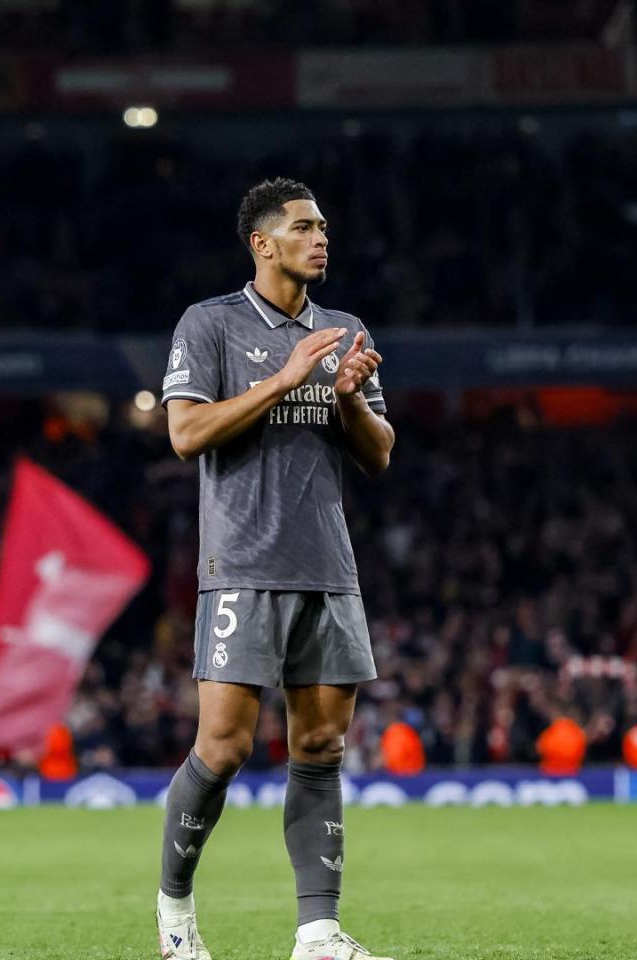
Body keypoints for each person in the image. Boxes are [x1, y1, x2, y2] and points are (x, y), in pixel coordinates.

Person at [156, 178, 396, 960]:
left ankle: (318, 933)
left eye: (324, 225)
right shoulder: (211, 325)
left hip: (328, 566)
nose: (321, 237)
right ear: (263, 243)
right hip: (241, 566)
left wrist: (348, 400)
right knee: (223, 747)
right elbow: (187, 434)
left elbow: (379, 453)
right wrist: (287, 380)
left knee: (321, 748)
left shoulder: (345, 329)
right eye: (304, 226)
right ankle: (176, 909)